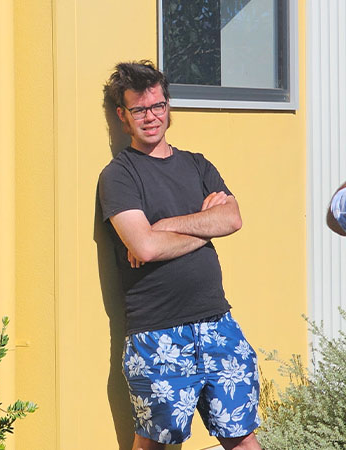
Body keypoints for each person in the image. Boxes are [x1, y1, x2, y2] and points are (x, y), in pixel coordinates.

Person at [98, 61, 262, 450]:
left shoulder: (197, 164)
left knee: (242, 438)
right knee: (156, 443)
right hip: (158, 333)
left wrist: (165, 225)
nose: (150, 117)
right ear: (123, 117)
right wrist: (204, 226)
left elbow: (233, 218)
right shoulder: (119, 175)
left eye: (157, 106)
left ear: (168, 107)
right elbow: (144, 247)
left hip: (219, 324)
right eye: (139, 109)